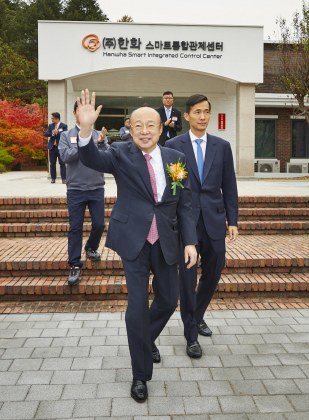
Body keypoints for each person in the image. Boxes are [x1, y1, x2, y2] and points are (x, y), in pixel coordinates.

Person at [76, 89, 197, 403]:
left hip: (168, 239)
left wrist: (191, 242)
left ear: (161, 129)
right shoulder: (119, 152)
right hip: (133, 239)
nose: (145, 131)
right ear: (130, 128)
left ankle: (145, 340)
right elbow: (91, 157)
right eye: (138, 125)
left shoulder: (176, 158)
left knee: (170, 300)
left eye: (151, 125)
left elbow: (183, 202)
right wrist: (86, 129)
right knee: (137, 305)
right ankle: (140, 374)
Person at [166, 94, 239, 359]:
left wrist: (233, 220)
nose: (202, 116)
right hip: (186, 223)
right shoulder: (174, 145)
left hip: (215, 220)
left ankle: (196, 315)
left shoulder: (222, 146)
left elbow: (229, 186)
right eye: (197, 112)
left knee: (214, 270)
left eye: (206, 111)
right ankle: (191, 335)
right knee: (187, 279)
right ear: (186, 116)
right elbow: (174, 188)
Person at [59, 101, 109, 286]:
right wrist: (84, 143)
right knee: (75, 227)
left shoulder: (98, 135)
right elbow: (64, 157)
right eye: (82, 111)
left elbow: (107, 157)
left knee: (99, 224)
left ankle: (90, 247)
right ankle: (74, 264)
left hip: (96, 187)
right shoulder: (66, 135)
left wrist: (102, 144)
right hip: (75, 189)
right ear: (74, 113)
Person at [45, 112, 68, 183]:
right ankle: (53, 178)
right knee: (52, 164)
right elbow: (47, 134)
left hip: (60, 147)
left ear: (57, 118)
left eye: (53, 118)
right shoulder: (50, 126)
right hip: (52, 147)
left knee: (62, 163)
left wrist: (57, 133)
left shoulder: (64, 126)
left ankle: (64, 179)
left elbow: (64, 134)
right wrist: (53, 133)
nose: (51, 119)